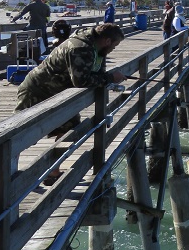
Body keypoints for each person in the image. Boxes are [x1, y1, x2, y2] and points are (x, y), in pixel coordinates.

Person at [14, 23, 125, 184]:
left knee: (70, 130)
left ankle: (52, 171)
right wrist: (110, 78)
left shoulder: (98, 48)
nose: (115, 48)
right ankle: (6, 176)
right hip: (36, 90)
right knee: (21, 135)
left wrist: (108, 78)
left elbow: (98, 72)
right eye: (115, 45)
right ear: (107, 40)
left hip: (57, 93)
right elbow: (81, 81)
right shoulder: (80, 48)